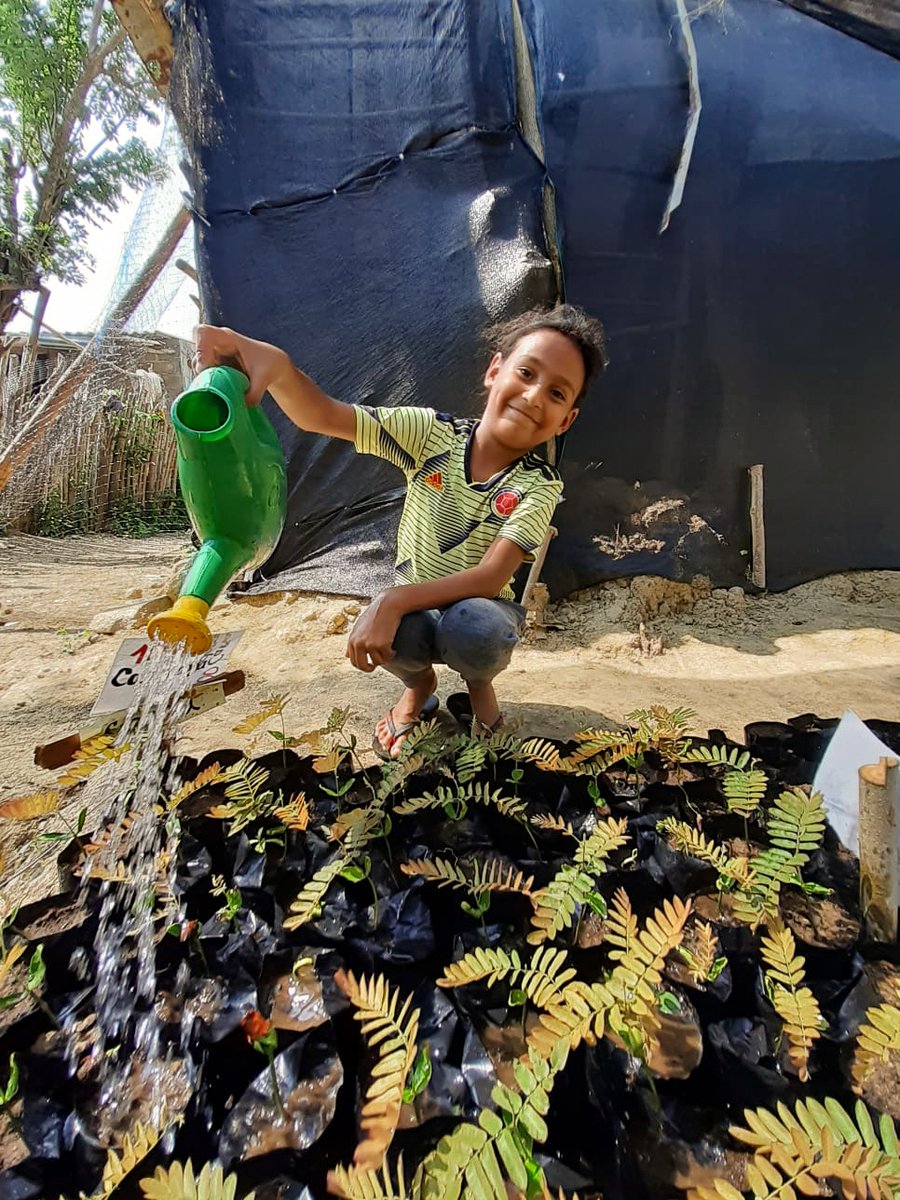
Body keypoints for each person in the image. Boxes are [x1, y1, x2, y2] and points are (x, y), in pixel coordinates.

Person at [193, 304, 607, 759]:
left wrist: (389, 599)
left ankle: (479, 690)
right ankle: (419, 687)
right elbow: (323, 416)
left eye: (556, 394)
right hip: (417, 604)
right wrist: (278, 367)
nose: (533, 397)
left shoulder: (538, 483)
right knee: (392, 634)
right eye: (526, 372)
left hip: (485, 609)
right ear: (495, 370)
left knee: (479, 630)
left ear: (566, 419)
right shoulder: (431, 436)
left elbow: (491, 578)